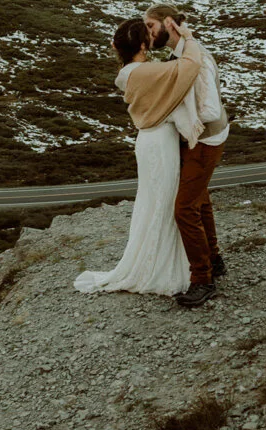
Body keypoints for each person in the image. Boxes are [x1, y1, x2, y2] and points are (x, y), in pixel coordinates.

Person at [73, 15, 203, 298]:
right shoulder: (147, 71)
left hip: (150, 141)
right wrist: (188, 37)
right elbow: (190, 66)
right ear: (143, 46)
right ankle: (162, 269)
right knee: (164, 203)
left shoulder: (131, 72)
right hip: (160, 144)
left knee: (154, 201)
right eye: (148, 36)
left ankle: (161, 260)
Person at [145, 4, 229, 308]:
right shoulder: (184, 52)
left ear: (169, 23)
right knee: (200, 200)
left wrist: (171, 114)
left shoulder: (198, 58)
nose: (148, 33)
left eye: (151, 26)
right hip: (199, 138)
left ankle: (202, 279)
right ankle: (214, 259)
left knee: (184, 210)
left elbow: (208, 110)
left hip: (205, 140)